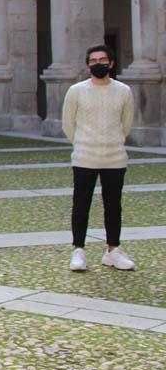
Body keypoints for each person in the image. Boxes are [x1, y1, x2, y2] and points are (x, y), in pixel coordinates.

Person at [63, 44, 136, 272]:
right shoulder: (76, 91)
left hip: (114, 157)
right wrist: (84, 143)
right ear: (87, 65)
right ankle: (78, 251)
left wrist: (112, 141)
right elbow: (68, 125)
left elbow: (126, 124)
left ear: (111, 63)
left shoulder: (124, 91)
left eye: (102, 59)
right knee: (81, 205)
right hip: (84, 157)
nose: (98, 64)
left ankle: (113, 250)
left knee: (113, 206)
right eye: (93, 60)